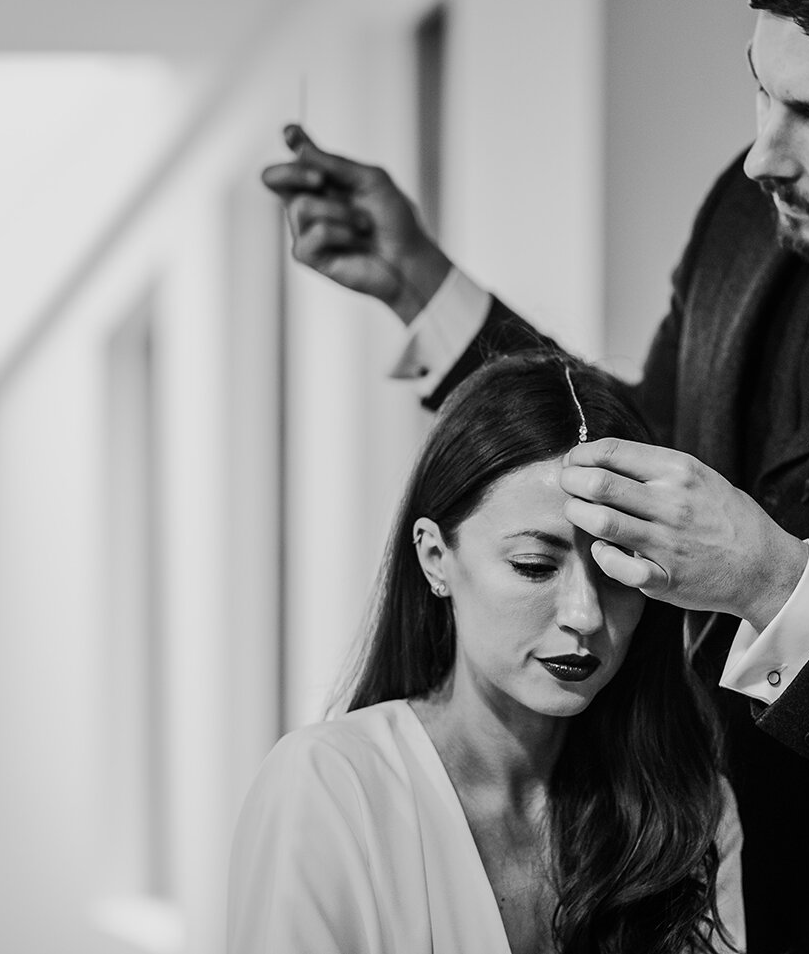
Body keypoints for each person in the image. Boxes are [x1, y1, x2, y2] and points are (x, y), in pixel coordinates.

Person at [261, 0, 809, 951]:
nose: (765, 155)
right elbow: (635, 443)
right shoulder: (753, 208)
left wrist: (775, 582)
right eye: (764, 89)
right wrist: (425, 287)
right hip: (650, 893)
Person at [227, 353, 745, 954]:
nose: (584, 613)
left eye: (616, 570)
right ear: (435, 558)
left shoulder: (687, 812)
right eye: (534, 566)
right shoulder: (331, 791)